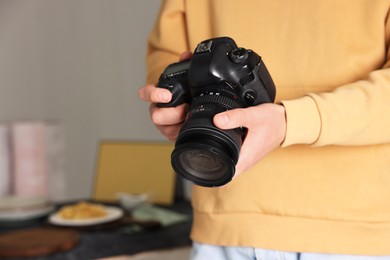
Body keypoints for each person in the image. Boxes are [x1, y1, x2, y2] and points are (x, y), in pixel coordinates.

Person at [138, 0, 390, 259]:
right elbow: (168, 50)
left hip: (353, 235)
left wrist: (291, 121)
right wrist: (170, 99)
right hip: (224, 226)